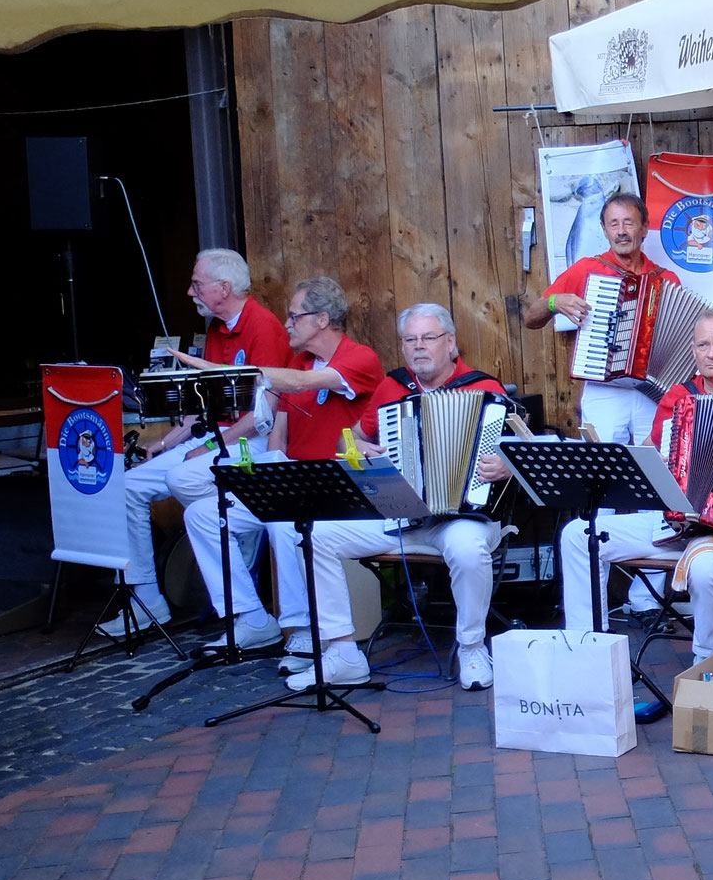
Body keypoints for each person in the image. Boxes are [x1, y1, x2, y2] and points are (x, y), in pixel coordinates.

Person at [179, 276, 386, 688]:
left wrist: (225, 372)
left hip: (340, 482)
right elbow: (279, 429)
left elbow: (307, 386)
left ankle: (305, 629)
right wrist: (272, 467)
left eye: (294, 317)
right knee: (203, 514)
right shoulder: (299, 362)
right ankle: (251, 617)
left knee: (281, 517)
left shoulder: (359, 358)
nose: (287, 324)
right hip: (297, 479)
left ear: (323, 319)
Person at [294, 303, 513, 690]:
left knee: (466, 548)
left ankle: (472, 647)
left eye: (428, 338)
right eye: (410, 340)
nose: (419, 347)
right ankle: (343, 653)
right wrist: (359, 452)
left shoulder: (484, 388)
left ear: (450, 343)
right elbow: (353, 441)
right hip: (399, 515)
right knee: (317, 536)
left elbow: (521, 452)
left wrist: (506, 466)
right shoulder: (393, 387)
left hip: (462, 518)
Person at [561, 309, 713, 660]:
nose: (711, 353)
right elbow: (656, 464)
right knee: (578, 535)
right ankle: (586, 651)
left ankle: (706, 664)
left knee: (704, 567)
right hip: (675, 521)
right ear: (694, 350)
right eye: (703, 345)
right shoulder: (677, 398)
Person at [99, 249, 290, 638]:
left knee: (185, 481)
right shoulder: (218, 329)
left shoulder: (263, 326)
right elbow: (202, 404)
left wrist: (206, 446)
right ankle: (148, 598)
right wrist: (167, 443)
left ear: (224, 287)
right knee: (128, 486)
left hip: (250, 442)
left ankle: (238, 546)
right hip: (216, 438)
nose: (190, 292)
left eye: (197, 284)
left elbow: (262, 416)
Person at [527, 192, 680, 444]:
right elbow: (531, 319)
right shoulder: (587, 269)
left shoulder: (666, 280)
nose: (621, 231)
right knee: (603, 465)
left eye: (629, 222)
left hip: (652, 390)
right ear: (604, 230)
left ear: (644, 228)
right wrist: (554, 302)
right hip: (604, 387)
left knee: (659, 463)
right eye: (614, 224)